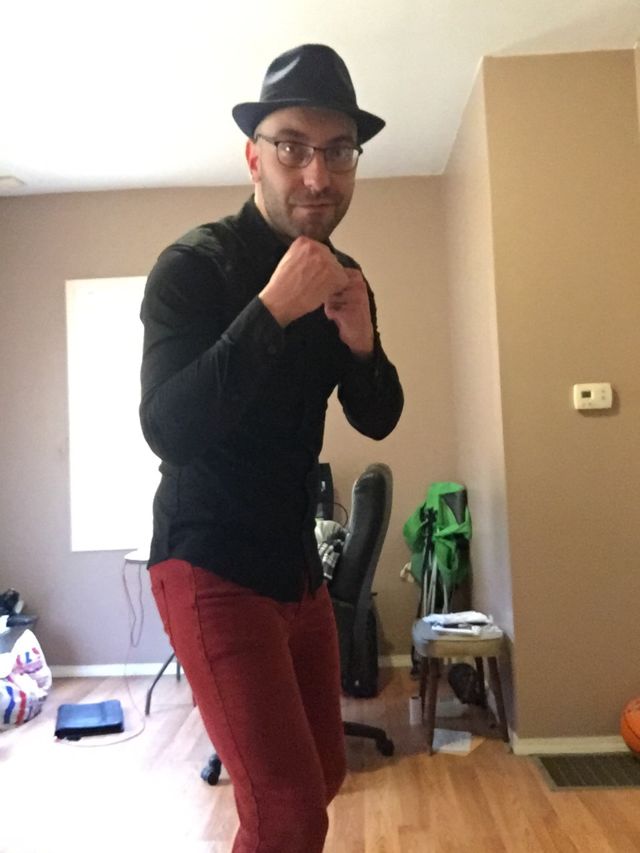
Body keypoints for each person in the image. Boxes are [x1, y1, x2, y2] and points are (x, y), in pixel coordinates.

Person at [139, 43, 403, 853]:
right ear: (255, 156)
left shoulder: (346, 275)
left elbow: (378, 417)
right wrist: (270, 310)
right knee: (287, 812)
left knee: (324, 773)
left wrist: (362, 344)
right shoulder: (193, 268)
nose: (317, 174)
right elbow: (168, 428)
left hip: (295, 569)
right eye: (293, 147)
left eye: (338, 151)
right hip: (209, 561)